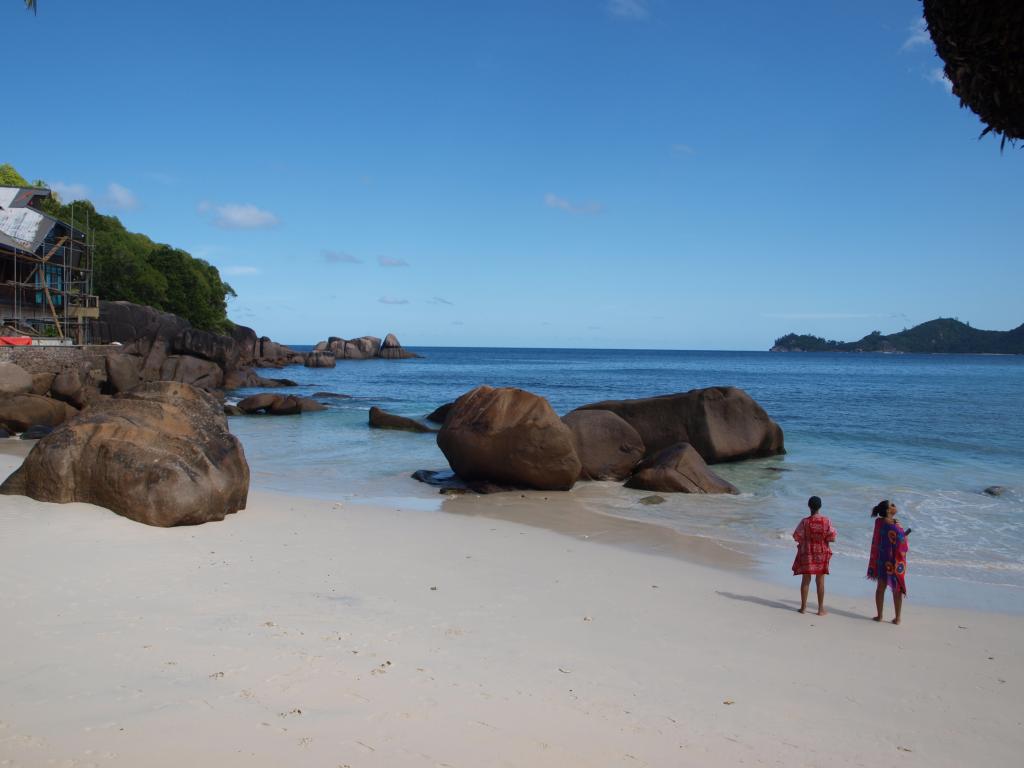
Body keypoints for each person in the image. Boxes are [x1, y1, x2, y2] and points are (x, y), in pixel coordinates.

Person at [867, 499, 910, 625]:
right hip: (892, 561)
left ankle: (879, 616)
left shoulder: (879, 522)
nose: (895, 506)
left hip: (881, 559)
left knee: (880, 587)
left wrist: (897, 526)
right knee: (897, 589)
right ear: (888, 510)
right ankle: (897, 618)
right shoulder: (894, 526)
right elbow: (902, 544)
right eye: (892, 505)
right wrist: (904, 534)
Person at [792, 495, 837, 615]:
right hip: (821, 553)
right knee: (820, 581)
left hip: (807, 552)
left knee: (806, 580)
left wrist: (806, 541)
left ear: (809, 506)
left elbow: (796, 536)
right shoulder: (826, 521)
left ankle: (803, 607)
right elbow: (832, 537)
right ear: (820, 507)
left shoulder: (805, 521)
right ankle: (820, 609)